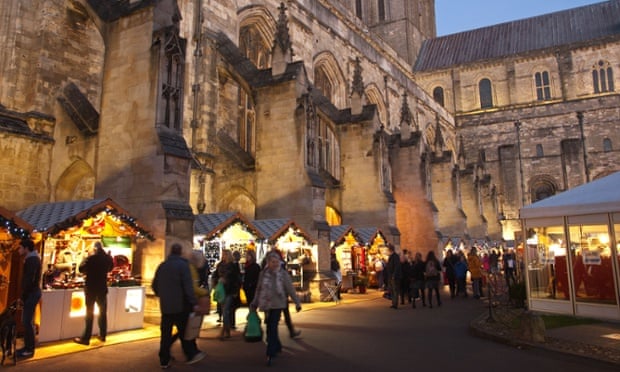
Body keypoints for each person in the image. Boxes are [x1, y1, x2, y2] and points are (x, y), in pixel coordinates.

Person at [152, 243, 205, 368]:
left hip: (166, 306)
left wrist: (162, 295)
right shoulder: (183, 266)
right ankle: (190, 354)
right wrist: (193, 302)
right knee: (184, 331)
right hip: (181, 305)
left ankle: (164, 359)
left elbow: (155, 285)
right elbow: (188, 287)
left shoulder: (162, 266)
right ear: (180, 252)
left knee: (165, 333)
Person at [250, 251, 302, 366]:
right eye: (272, 262)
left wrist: (297, 302)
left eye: (276, 261)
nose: (275, 264)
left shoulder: (282, 274)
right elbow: (258, 289)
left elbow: (290, 289)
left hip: (278, 304)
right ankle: (277, 345)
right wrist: (254, 302)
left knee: (272, 326)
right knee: (269, 326)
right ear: (268, 262)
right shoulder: (263, 274)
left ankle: (270, 352)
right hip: (266, 304)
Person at [73, 241, 114, 345]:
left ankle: (86, 338)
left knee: (89, 313)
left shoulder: (91, 258)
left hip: (91, 288)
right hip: (102, 288)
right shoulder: (107, 258)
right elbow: (110, 268)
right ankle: (102, 335)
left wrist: (85, 257)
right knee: (103, 312)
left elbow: (81, 269)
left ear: (95, 249)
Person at [16, 238, 41, 358]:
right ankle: (27, 347)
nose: (18, 250)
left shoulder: (32, 260)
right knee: (27, 321)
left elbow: (29, 280)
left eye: (20, 247)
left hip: (31, 293)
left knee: (27, 321)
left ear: (26, 248)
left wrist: (23, 295)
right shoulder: (32, 259)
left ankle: (29, 349)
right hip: (32, 292)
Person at [211, 249, 241, 340]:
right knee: (224, 310)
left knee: (226, 311)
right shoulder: (220, 265)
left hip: (229, 291)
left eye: (225, 254)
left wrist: (235, 290)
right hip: (221, 290)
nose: (223, 256)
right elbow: (215, 275)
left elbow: (236, 279)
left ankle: (224, 331)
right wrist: (216, 283)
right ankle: (226, 331)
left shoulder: (233, 266)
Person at [385, 244, 402, 309]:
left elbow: (397, 267)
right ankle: (393, 302)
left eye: (387, 249)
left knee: (395, 290)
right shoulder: (391, 257)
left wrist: (394, 275)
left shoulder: (395, 256)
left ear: (390, 250)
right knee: (392, 290)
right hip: (391, 276)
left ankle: (395, 303)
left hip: (394, 276)